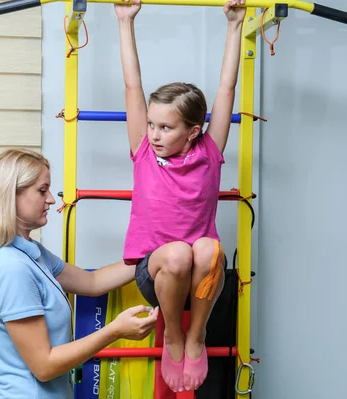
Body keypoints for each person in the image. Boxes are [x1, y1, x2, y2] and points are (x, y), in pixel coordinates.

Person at [114, 0, 247, 393]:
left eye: (165, 127)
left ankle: (196, 335)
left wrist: (235, 25)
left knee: (207, 249)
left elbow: (226, 88)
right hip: (156, 273)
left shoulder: (209, 152)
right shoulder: (143, 151)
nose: (153, 134)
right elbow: (132, 85)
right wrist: (125, 23)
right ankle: (173, 333)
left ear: (192, 132)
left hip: (202, 280)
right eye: (152, 124)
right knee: (178, 252)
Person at [0, 148, 159, 399]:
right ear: (11, 195)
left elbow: (92, 281)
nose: (51, 200)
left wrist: (152, 259)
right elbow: (44, 366)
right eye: (42, 190)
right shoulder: (10, 268)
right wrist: (114, 331)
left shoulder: (30, 253)